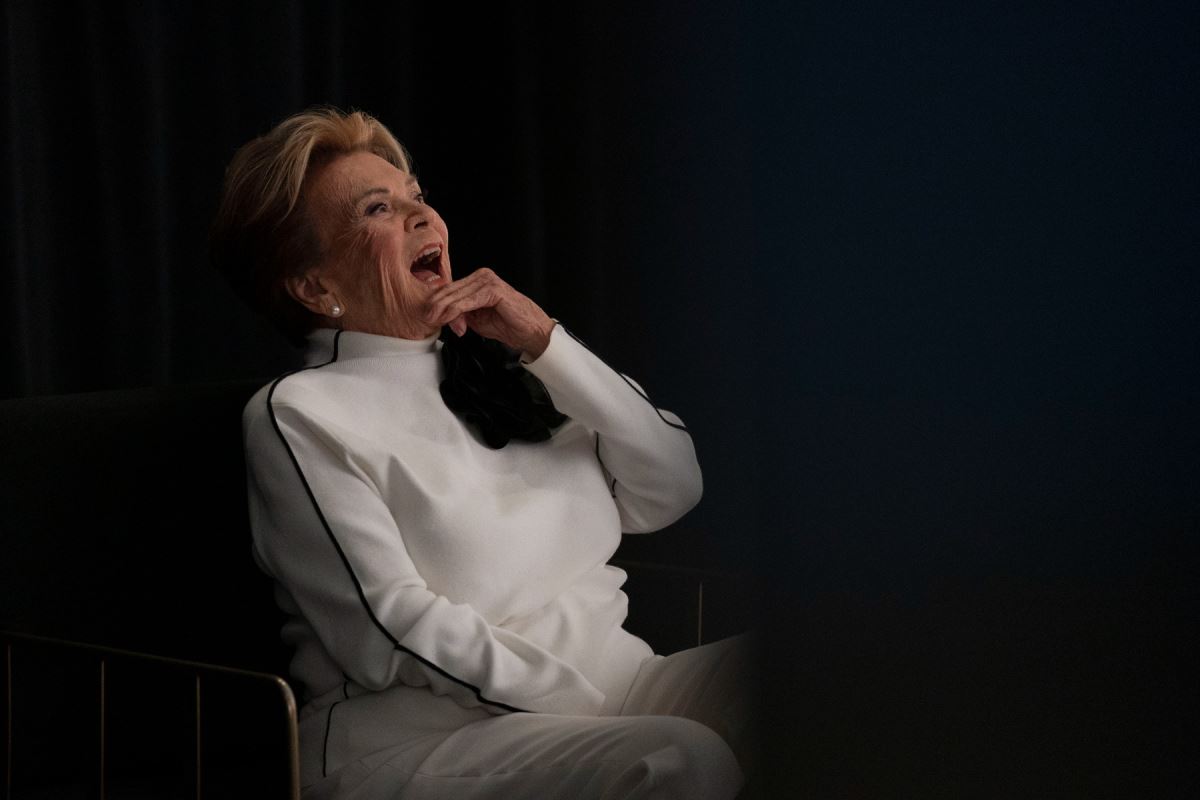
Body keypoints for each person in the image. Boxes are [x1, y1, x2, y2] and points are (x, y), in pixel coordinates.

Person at [211, 107, 756, 800]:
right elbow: (389, 627)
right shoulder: (299, 413)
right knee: (681, 757)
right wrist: (588, 707)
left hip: (622, 691)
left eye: (417, 196)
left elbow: (672, 484)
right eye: (379, 208)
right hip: (420, 745)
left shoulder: (510, 364)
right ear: (316, 286)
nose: (422, 217)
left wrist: (545, 340)